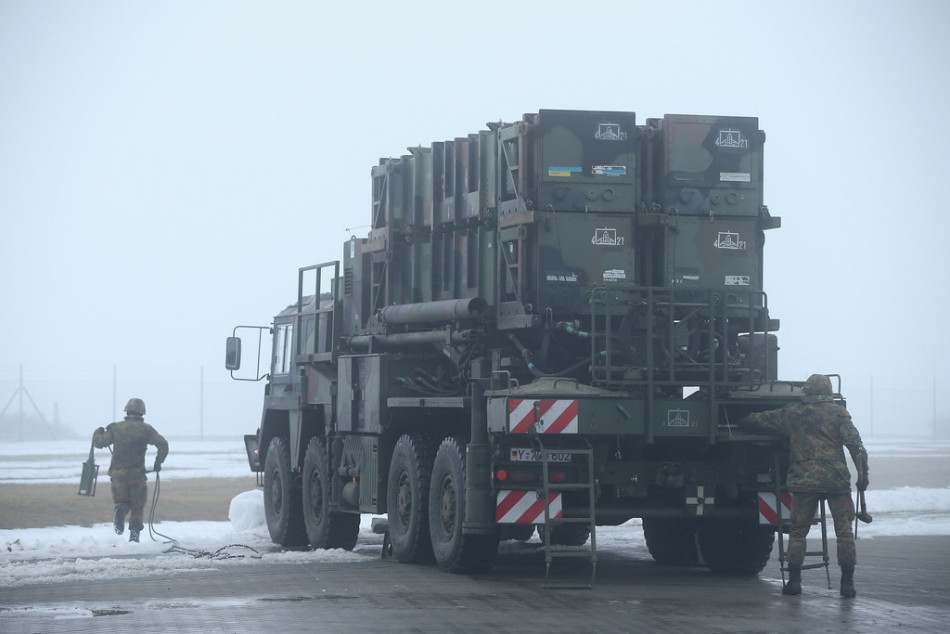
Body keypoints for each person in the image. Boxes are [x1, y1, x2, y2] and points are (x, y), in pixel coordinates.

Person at [742, 374, 869, 597]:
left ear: (808, 390)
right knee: (844, 532)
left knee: (798, 531)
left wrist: (744, 419)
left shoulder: (794, 412)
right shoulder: (839, 413)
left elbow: (763, 420)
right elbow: (856, 447)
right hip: (836, 480)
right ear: (828, 390)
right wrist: (862, 477)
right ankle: (847, 584)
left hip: (803, 480)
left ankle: (794, 582)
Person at [93, 398, 169, 543]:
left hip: (118, 475)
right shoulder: (146, 429)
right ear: (142, 412)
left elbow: (99, 443)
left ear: (127, 411)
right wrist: (158, 463)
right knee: (137, 506)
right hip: (137, 475)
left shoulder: (116, 428)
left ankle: (120, 510)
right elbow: (163, 444)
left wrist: (98, 432)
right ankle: (134, 535)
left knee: (122, 502)